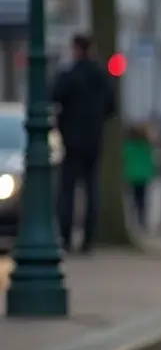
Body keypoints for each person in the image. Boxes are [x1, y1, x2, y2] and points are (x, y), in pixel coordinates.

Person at [51, 34, 116, 253]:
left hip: (71, 140)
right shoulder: (101, 77)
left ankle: (67, 237)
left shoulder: (70, 75)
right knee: (91, 189)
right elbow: (111, 106)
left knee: (67, 190)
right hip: (94, 139)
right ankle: (88, 240)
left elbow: (54, 94)